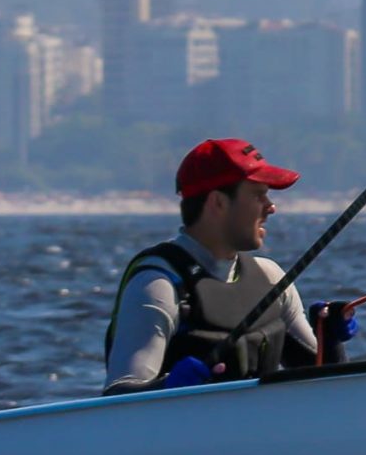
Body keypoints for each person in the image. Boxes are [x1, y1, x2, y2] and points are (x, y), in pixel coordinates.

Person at [101, 138, 322, 394]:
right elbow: (117, 396)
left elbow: (325, 381)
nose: (271, 207)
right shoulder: (158, 285)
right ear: (218, 202)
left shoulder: (271, 278)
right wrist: (167, 387)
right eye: (258, 195)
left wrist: (331, 336)